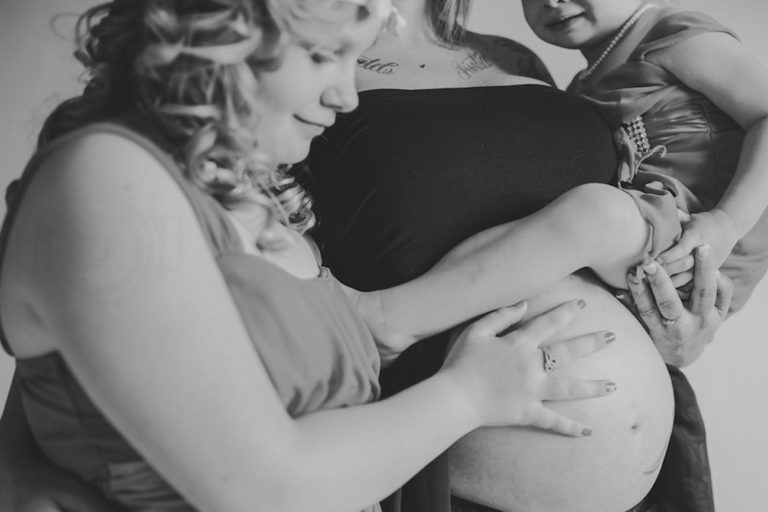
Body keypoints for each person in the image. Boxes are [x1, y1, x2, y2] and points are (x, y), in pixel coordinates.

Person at [0, 1, 621, 511]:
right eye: (324, 55)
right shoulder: (107, 178)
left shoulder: (249, 197)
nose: (348, 96)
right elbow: (264, 485)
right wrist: (468, 394)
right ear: (225, 28)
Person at [306, 0, 733, 511]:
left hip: (650, 482)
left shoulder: (517, 57)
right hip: (446, 474)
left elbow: (567, 241)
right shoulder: (299, 63)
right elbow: (270, 279)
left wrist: (675, 325)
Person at [521, 0, 768, 313]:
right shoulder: (580, 85)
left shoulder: (676, 34)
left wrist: (726, 222)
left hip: (704, 248)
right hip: (636, 252)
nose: (551, 1)